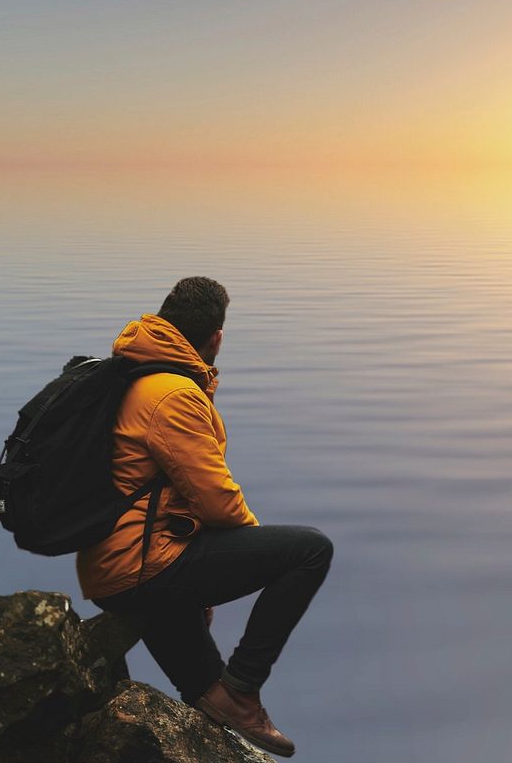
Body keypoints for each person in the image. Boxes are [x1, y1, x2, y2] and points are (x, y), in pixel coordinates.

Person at [77, 276, 333, 758]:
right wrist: (239, 559)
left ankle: (227, 702)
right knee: (310, 550)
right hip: (142, 566)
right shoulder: (172, 393)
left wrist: (202, 573)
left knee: (207, 701)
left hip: (115, 567)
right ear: (216, 337)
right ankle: (244, 689)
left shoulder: (131, 373)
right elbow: (216, 499)